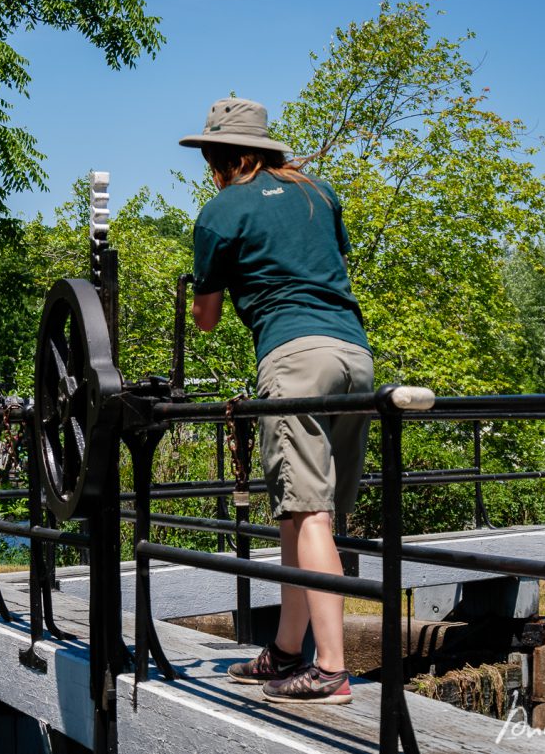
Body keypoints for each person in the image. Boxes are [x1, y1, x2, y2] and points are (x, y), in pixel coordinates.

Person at [180, 98, 373, 705]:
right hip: (354, 356)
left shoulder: (221, 210)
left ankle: (332, 671)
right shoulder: (320, 191)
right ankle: (287, 653)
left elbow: (206, 320)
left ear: (217, 157)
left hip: (294, 359)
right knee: (304, 510)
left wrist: (203, 293)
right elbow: (330, 265)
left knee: (308, 513)